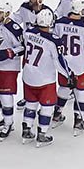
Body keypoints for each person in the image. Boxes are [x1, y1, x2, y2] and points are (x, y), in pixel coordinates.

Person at [21, 9, 71, 147]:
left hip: (28, 76)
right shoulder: (53, 41)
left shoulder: (28, 33)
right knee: (47, 107)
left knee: (30, 104)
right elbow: (59, 62)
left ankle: (26, 130)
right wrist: (69, 75)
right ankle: (42, 134)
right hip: (45, 79)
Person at [53, 0, 84, 134]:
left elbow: (55, 43)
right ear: (83, 10)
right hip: (81, 65)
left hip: (64, 65)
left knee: (64, 88)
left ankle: (57, 114)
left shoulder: (59, 23)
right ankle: (79, 121)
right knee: (82, 91)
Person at [0, 2, 26, 140]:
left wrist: (9, 52)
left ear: (7, 14)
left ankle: (8, 123)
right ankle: (5, 116)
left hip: (8, 67)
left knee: (5, 95)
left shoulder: (15, 28)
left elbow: (23, 47)